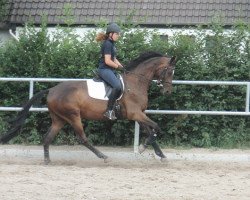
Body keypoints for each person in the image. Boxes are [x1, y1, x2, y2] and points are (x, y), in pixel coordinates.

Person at [96, 23, 124, 120]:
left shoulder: (112, 44)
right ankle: (109, 111)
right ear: (111, 34)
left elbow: (114, 58)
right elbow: (108, 61)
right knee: (117, 86)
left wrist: (123, 67)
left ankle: (115, 105)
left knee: (121, 85)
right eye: (117, 34)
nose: (118, 36)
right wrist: (117, 67)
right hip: (104, 69)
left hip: (110, 70)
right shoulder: (107, 44)